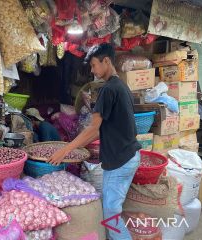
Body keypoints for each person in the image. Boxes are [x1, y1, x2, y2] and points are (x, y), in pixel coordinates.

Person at [48, 43, 141, 240]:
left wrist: (66, 150)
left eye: (94, 65)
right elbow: (106, 128)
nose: (92, 70)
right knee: (112, 208)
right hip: (129, 155)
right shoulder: (122, 87)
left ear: (106, 61)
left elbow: (93, 128)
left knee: (110, 212)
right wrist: (77, 146)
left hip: (120, 160)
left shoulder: (107, 90)